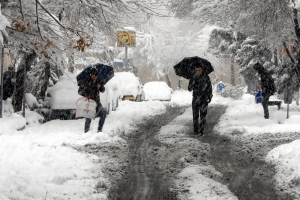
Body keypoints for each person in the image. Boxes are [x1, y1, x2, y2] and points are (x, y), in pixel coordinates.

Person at [78, 67, 106, 133]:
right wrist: (86, 94)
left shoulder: (98, 81)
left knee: (103, 114)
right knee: (88, 119)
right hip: (90, 103)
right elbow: (79, 91)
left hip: (97, 103)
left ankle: (99, 130)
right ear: (91, 74)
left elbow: (103, 90)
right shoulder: (86, 82)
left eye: (96, 74)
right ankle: (86, 132)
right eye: (93, 74)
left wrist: (100, 87)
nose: (95, 76)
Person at [188, 65, 213, 136]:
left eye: (199, 70)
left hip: (204, 99)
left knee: (203, 115)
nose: (198, 72)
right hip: (195, 99)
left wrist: (209, 96)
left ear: (202, 70)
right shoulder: (193, 77)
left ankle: (201, 130)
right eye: (196, 70)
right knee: (195, 116)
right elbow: (189, 89)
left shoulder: (206, 77)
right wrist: (193, 81)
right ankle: (196, 131)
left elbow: (209, 88)